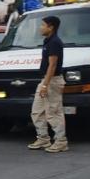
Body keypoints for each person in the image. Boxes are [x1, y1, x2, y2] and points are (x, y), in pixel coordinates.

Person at [29, 15, 68, 153]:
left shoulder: (54, 42)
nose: (40, 28)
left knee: (53, 112)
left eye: (43, 25)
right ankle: (43, 138)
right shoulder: (48, 41)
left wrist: (45, 85)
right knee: (37, 111)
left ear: (51, 27)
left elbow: (52, 65)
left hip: (52, 81)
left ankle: (61, 141)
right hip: (46, 80)